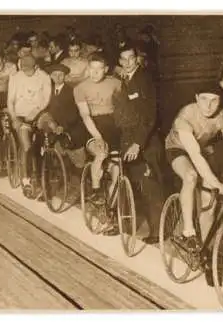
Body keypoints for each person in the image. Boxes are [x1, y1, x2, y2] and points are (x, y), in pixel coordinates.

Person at [164, 91, 223, 252]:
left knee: (210, 202)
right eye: (203, 99)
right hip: (177, 148)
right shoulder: (185, 116)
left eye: (214, 100)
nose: (208, 105)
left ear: (220, 101)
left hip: (202, 149)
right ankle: (188, 232)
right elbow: (194, 155)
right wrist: (216, 182)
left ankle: (200, 249)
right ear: (196, 98)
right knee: (191, 176)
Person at [110, 45, 165, 242]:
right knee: (132, 182)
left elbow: (149, 117)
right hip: (129, 138)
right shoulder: (123, 80)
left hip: (146, 141)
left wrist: (137, 144)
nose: (127, 62)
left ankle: (158, 232)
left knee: (149, 185)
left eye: (131, 58)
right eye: (123, 59)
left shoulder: (145, 79)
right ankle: (126, 224)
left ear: (137, 59)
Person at [74, 54, 122, 224]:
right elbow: (85, 115)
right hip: (92, 126)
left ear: (106, 69)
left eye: (98, 69)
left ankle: (111, 209)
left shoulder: (115, 83)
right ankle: (96, 191)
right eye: (91, 69)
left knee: (117, 169)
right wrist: (98, 136)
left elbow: (123, 106)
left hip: (113, 125)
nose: (94, 73)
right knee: (101, 153)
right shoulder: (80, 88)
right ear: (88, 69)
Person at [7, 55, 52, 194]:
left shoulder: (44, 77)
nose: (26, 73)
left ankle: (46, 173)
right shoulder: (16, 77)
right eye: (23, 69)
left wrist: (37, 110)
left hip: (38, 113)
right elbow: (10, 100)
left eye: (29, 70)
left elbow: (47, 98)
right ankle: (25, 179)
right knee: (26, 146)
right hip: (21, 116)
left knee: (44, 142)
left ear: (36, 67)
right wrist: (14, 117)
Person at [40, 63, 90, 170]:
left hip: (70, 125)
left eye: (61, 75)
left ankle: (77, 169)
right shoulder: (47, 90)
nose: (57, 78)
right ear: (50, 76)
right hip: (53, 126)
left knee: (74, 144)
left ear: (65, 76)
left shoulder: (72, 91)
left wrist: (63, 126)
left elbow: (74, 113)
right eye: (55, 75)